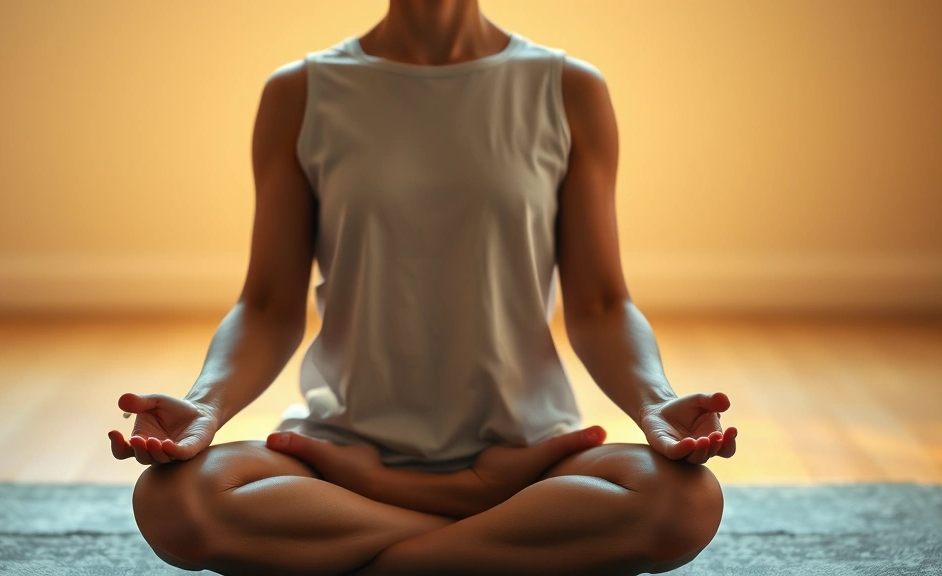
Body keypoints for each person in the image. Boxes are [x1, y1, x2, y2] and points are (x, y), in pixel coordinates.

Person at [107, 1, 738, 574]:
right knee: (176, 502)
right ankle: (489, 537)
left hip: (529, 453)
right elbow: (268, 307)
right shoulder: (300, 92)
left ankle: (382, 552)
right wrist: (207, 403)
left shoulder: (569, 89)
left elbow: (602, 305)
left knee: (681, 504)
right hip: (343, 455)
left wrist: (655, 401)